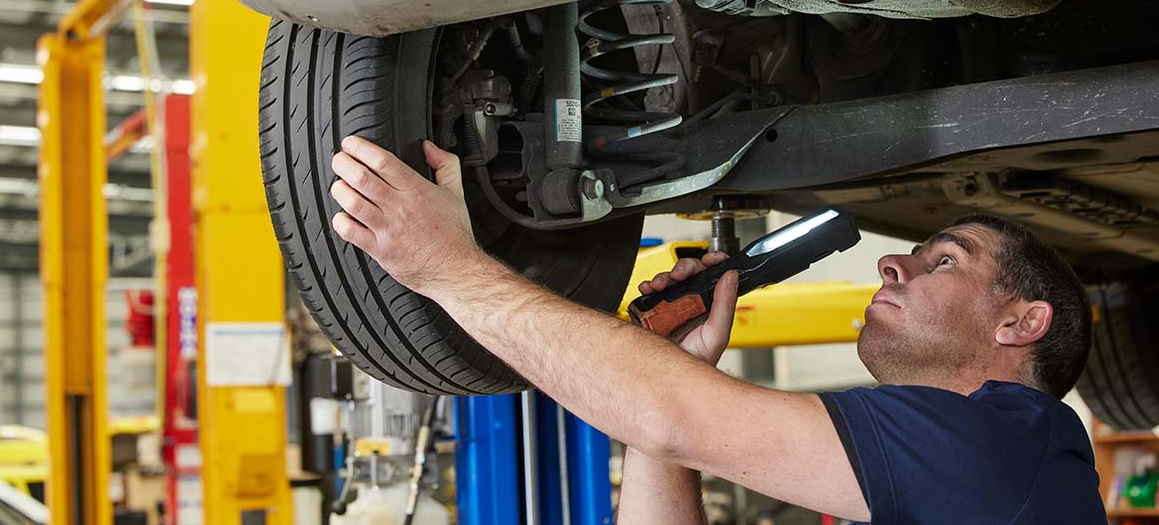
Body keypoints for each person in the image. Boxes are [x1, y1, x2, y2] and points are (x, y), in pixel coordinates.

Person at [327, 135, 1106, 523]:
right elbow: (669, 421)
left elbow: (674, 414)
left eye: (944, 259)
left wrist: (447, 268)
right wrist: (670, 381)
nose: (891, 266)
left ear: (1020, 321)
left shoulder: (1015, 441)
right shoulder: (954, 480)